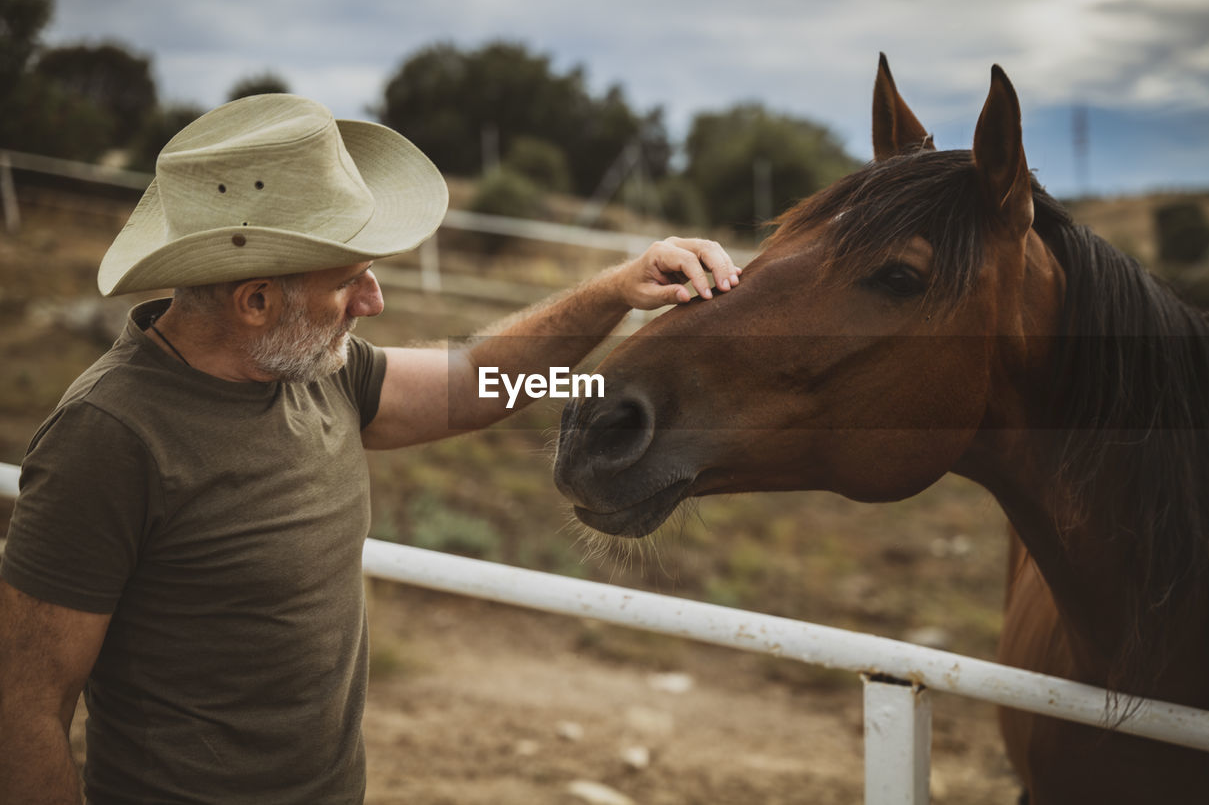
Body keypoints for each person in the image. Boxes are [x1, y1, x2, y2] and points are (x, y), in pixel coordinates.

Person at [0, 93, 740, 804]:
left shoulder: (319, 370)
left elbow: (479, 386)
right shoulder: (109, 437)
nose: (374, 301)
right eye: (350, 280)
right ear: (255, 301)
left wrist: (616, 293)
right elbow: (24, 706)